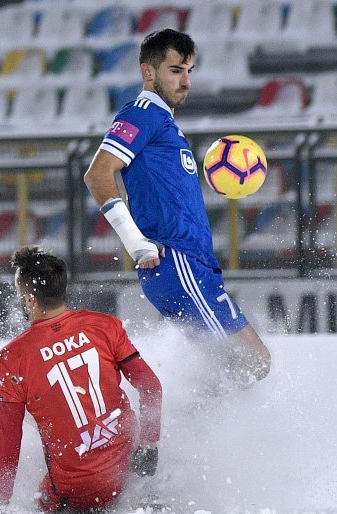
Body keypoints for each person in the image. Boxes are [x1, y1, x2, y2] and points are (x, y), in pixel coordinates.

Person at [83, 29, 271, 386]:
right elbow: (98, 174)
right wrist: (135, 243)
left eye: (190, 71)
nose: (185, 81)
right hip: (177, 262)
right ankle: (193, 433)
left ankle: (184, 433)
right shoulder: (143, 113)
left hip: (188, 266)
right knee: (253, 363)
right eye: (175, 71)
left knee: (224, 371)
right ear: (148, 72)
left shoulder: (164, 124)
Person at [0, 246, 162, 514]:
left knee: (32, 414)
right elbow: (151, 386)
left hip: (76, 493)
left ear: (29, 300)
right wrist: (148, 445)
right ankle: (149, 494)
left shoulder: (11, 357)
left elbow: (8, 437)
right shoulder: (105, 325)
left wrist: (1, 499)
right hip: (127, 471)